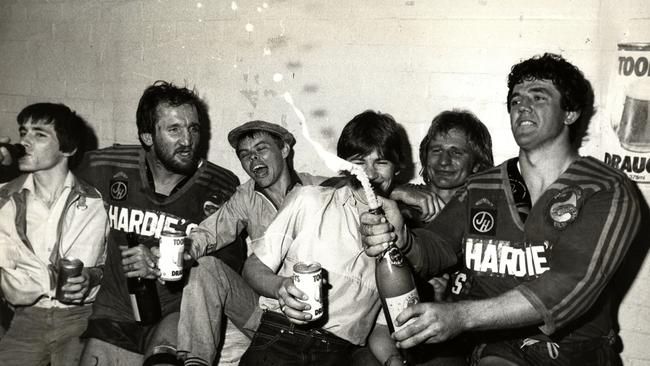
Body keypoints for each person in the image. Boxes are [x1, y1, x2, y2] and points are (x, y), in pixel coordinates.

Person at [360, 53, 641, 366]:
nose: (523, 106)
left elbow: (568, 286)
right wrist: (403, 239)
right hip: (500, 347)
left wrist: (462, 316)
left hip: (576, 351)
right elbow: (436, 245)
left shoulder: (605, 189)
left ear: (571, 112)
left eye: (539, 97)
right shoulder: (482, 186)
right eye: (516, 99)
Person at [178, 119, 438, 366]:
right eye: (245, 154)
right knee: (205, 269)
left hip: (334, 348)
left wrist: (401, 192)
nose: (253, 158)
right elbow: (215, 235)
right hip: (273, 319)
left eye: (261, 149)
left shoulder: (323, 191)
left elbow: (364, 186)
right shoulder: (267, 198)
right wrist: (183, 252)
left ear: (284, 149)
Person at [76, 81, 245, 366]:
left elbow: (229, 265)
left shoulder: (220, 184)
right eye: (174, 129)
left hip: (176, 310)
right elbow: (56, 171)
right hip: (116, 311)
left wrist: (169, 262)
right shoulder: (109, 165)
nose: (188, 140)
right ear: (147, 136)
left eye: (193, 128)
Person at [238, 110, 409, 366]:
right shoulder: (310, 199)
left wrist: (394, 360)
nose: (370, 174)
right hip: (280, 337)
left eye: (381, 162)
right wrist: (279, 287)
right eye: (359, 162)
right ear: (343, 165)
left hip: (336, 355)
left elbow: (382, 328)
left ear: (397, 169)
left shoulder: (399, 236)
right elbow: (253, 267)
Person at [0, 103, 108, 365]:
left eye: (39, 134)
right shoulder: (4, 199)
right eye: (23, 132)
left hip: (79, 321)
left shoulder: (93, 204)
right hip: (25, 319)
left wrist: (89, 277)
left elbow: (102, 267)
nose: (24, 141)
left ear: (67, 149)